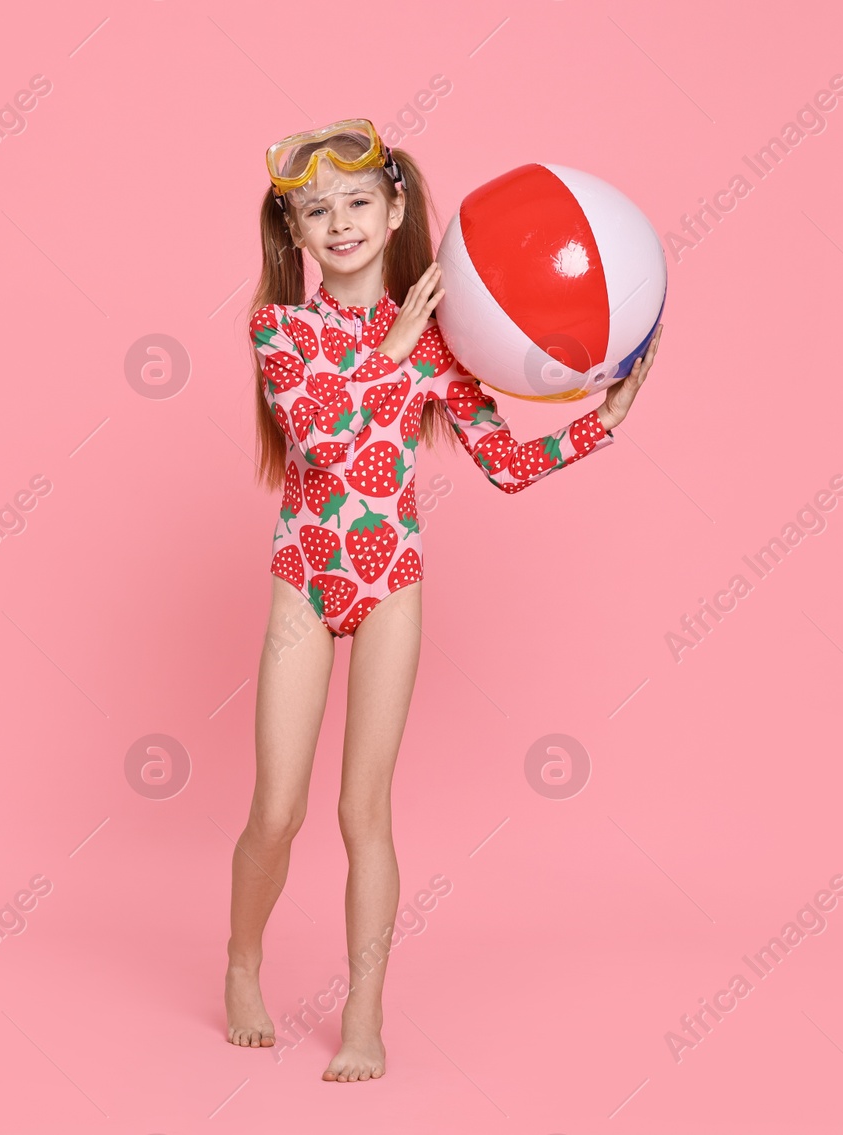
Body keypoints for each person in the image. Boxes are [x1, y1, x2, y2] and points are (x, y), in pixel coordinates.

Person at [226, 118, 662, 1082]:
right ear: (294, 234)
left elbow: (503, 463)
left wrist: (601, 424)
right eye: (315, 210)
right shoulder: (281, 329)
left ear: (393, 214)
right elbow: (326, 436)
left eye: (356, 203)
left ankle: (365, 1014)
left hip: (392, 585)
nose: (339, 222)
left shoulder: (445, 345)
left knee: (363, 810)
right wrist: (402, 340)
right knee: (278, 809)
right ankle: (242, 963)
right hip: (305, 580)